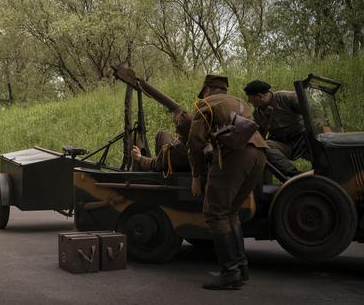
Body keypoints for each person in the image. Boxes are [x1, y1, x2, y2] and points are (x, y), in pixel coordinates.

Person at [187, 75, 267, 290]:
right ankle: (241, 269)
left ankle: (230, 273)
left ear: (206, 90)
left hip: (235, 156)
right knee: (230, 211)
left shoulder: (205, 104)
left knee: (215, 213)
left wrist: (196, 176)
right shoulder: (239, 102)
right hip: (259, 154)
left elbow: (195, 143)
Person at [244, 80, 311, 177]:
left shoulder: (286, 97)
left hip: (304, 140)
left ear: (260, 96)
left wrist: (322, 130)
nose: (249, 101)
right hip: (284, 144)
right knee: (265, 146)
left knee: (322, 150)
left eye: (250, 97)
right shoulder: (258, 114)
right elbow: (259, 137)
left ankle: (324, 174)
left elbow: (312, 110)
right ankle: (295, 177)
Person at [131, 108, 191, 174]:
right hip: (186, 165)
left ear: (178, 132)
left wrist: (139, 157)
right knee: (163, 134)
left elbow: (154, 164)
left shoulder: (174, 152)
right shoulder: (199, 141)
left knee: (161, 135)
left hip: (174, 175)